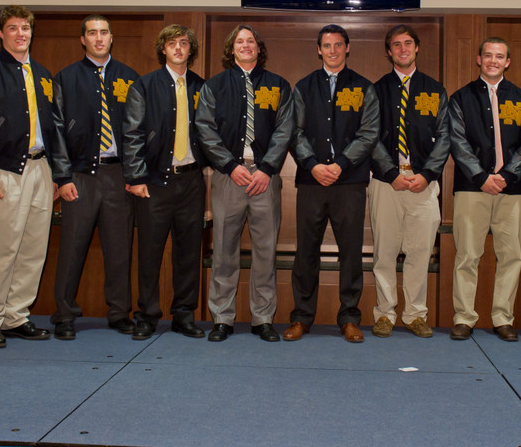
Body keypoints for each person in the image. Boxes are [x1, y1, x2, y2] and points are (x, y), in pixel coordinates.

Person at [0, 5, 61, 348]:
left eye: (26, 28)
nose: (21, 34)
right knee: (1, 250)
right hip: (4, 171)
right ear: (0, 33)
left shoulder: (43, 74)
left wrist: (57, 174)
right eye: (13, 28)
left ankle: (15, 315)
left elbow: (54, 128)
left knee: (33, 249)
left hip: (41, 169)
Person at [195, 25, 293, 342]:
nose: (246, 45)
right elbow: (205, 129)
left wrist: (267, 168)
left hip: (266, 178)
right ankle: (222, 318)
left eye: (251, 41)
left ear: (258, 48)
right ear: (232, 48)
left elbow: (285, 130)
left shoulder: (278, 85)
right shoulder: (214, 86)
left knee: (265, 251)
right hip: (229, 177)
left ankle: (262, 318)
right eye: (240, 41)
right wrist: (229, 165)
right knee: (224, 250)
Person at [284, 24, 379, 343]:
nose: (333, 50)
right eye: (327, 45)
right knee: (306, 252)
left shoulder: (363, 87)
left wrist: (340, 165)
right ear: (319, 49)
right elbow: (294, 132)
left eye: (338, 45)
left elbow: (369, 133)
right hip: (311, 182)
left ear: (347, 48)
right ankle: (301, 317)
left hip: (349, 182)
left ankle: (350, 318)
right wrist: (313, 164)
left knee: (351, 252)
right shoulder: (304, 86)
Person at [49, 15, 140, 340]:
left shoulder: (129, 78)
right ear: (83, 39)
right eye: (92, 33)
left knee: (119, 248)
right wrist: (62, 177)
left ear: (111, 38)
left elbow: (138, 131)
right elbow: (56, 130)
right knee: (72, 247)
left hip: (119, 174)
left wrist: (135, 174)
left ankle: (119, 312)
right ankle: (64, 314)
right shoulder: (66, 78)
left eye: (103, 33)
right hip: (80, 175)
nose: (98, 38)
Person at [123, 24, 207, 340]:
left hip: (191, 182)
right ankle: (147, 316)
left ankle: (184, 315)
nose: (178, 48)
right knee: (149, 253)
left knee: (189, 253)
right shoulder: (144, 86)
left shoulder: (202, 87)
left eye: (184, 43)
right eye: (172, 43)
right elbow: (132, 133)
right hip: (155, 183)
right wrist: (135, 177)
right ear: (163, 49)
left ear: (190, 49)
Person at [448, 38, 521, 342]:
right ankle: (464, 318)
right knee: (467, 255)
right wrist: (481, 176)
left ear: (507, 62)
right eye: (488, 55)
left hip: (513, 189)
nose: (493, 61)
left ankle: (503, 318)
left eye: (499, 56)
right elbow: (457, 141)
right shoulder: (461, 98)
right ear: (479, 59)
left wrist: (508, 176)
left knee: (511, 256)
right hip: (472, 188)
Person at [368, 25, 449, 338]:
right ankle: (384, 314)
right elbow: (370, 136)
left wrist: (427, 174)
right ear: (389, 52)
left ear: (417, 48)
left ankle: (415, 314)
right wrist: (391, 174)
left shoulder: (434, 90)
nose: (403, 49)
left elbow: (444, 136)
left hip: (422, 183)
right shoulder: (377, 90)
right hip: (386, 182)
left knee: (420, 252)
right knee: (384, 252)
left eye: (408, 43)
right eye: (396, 45)